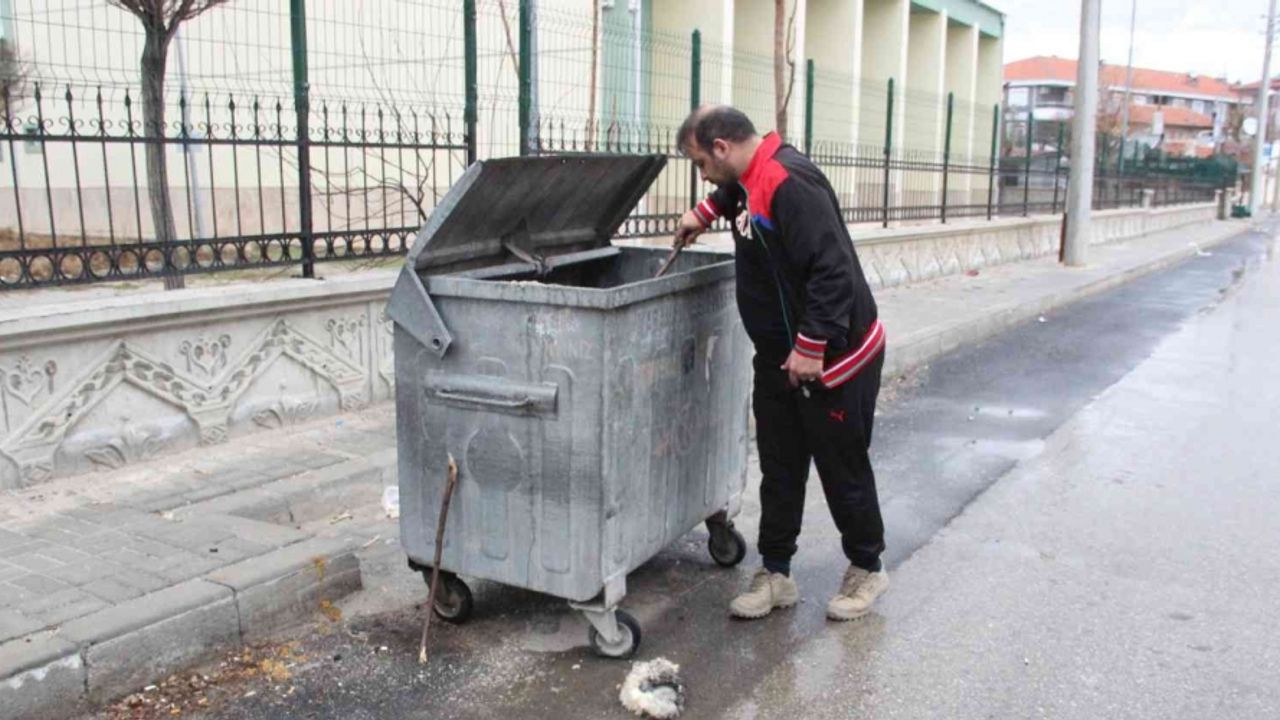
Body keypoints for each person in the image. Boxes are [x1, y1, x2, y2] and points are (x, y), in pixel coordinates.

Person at [674, 105, 888, 622]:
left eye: (701, 163)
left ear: (722, 147)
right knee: (779, 467)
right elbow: (734, 194)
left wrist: (812, 346)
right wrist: (704, 213)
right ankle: (776, 573)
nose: (702, 175)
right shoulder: (747, 176)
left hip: (834, 358)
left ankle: (867, 567)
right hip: (777, 359)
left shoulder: (789, 184)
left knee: (842, 467)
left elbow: (833, 270)